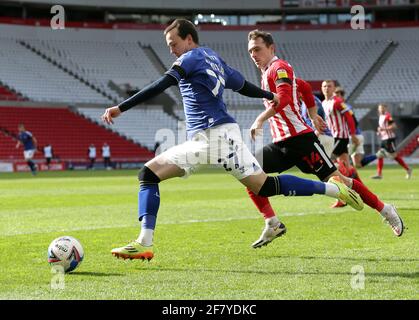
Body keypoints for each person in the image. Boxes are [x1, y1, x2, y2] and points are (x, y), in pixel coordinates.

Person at [101, 19, 364, 260]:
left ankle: (144, 241)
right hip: (224, 133)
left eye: (174, 44)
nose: (172, 50)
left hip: (210, 137)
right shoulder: (213, 58)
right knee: (263, 185)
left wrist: (120, 108)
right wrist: (268, 95)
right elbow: (241, 85)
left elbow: (161, 84)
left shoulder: (190, 58)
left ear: (189, 39)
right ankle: (333, 188)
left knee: (148, 174)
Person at [245, 29, 404, 240]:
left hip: (302, 141)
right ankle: (272, 223)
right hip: (281, 144)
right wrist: (312, 114)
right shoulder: (267, 73)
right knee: (247, 171)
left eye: (257, 49)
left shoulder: (279, 67)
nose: (253, 55)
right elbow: (303, 87)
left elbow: (283, 98)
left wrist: (260, 119)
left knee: (341, 180)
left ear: (271, 48)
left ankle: (386, 210)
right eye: (250, 51)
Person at [333, 87, 376, 170]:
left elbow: (353, 120)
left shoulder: (345, 106)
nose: (336, 98)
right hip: (351, 136)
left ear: (342, 97)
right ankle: (378, 155)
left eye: (338, 95)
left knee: (342, 161)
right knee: (355, 164)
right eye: (335, 96)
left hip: (352, 136)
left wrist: (353, 135)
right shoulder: (336, 106)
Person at [372, 103, 412, 180]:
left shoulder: (388, 116)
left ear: (385, 108)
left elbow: (394, 126)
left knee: (394, 156)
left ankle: (408, 169)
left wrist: (383, 129)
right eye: (380, 108)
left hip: (389, 139)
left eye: (382, 108)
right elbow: (382, 127)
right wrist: (380, 131)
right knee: (380, 155)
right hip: (384, 139)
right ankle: (379, 174)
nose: (381, 109)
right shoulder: (380, 116)